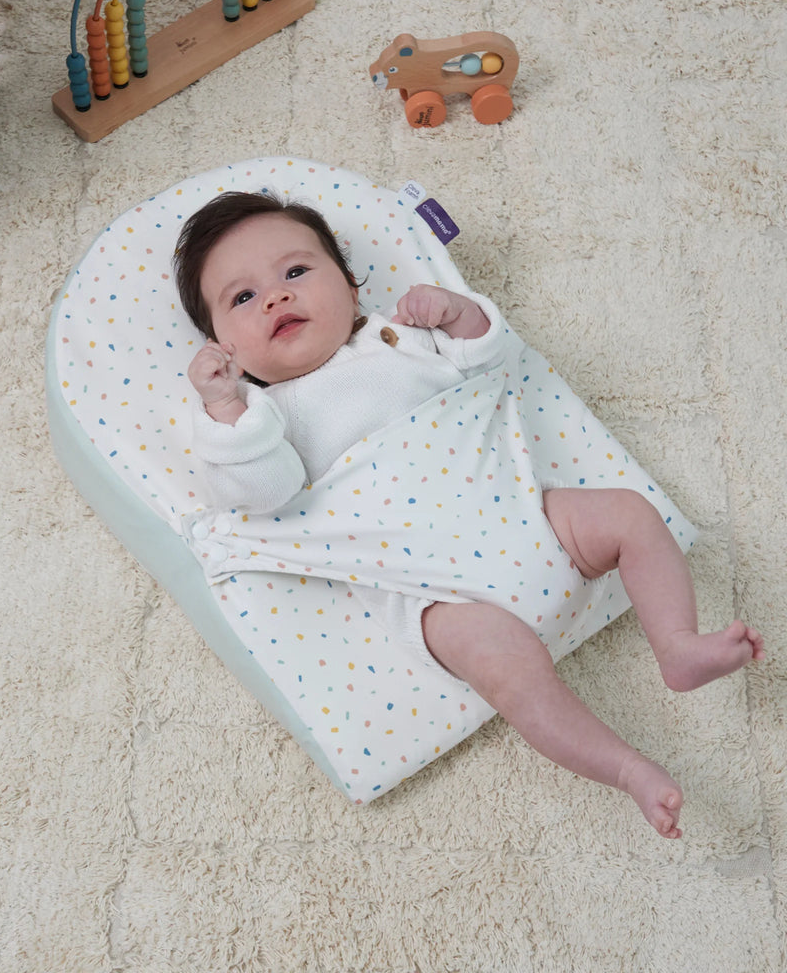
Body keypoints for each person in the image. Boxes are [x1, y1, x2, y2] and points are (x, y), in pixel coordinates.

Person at [174, 190, 765, 839]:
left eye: (294, 272)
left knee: (628, 514)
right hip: (439, 594)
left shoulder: (395, 338)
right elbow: (262, 492)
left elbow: (489, 355)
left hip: (527, 517)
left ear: (348, 282)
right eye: (243, 298)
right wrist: (226, 409)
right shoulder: (266, 419)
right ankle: (625, 768)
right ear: (221, 346)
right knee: (510, 671)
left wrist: (457, 314)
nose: (277, 299)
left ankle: (677, 645)